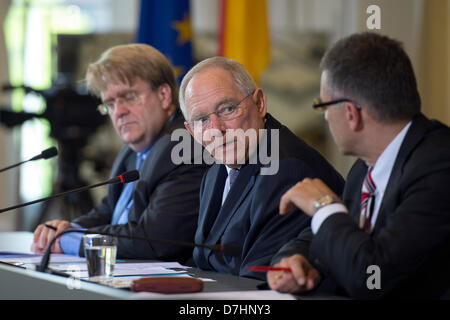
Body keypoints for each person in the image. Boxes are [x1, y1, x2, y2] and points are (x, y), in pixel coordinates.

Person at [268, 32, 450, 299]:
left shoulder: (439, 166)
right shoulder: (364, 169)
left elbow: (374, 276)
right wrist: (296, 262)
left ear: (351, 114)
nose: (326, 118)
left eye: (324, 106)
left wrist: (324, 207)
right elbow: (339, 239)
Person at [31, 44, 209, 263]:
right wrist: (68, 227)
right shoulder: (132, 152)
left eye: (130, 97)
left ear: (164, 95)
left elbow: (155, 240)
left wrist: (70, 241)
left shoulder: (183, 147)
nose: (119, 112)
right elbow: (109, 211)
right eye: (110, 103)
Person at [179, 56, 344, 280]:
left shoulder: (286, 167)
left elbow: (260, 275)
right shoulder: (216, 172)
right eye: (202, 120)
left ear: (259, 104)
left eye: (227, 109)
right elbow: (205, 259)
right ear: (191, 132)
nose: (216, 129)